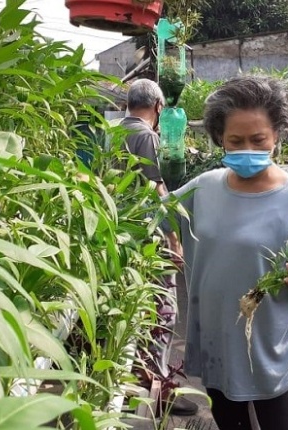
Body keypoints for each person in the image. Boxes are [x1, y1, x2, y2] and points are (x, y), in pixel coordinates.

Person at [162, 75, 288, 430]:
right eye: (235, 141)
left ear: (276, 138)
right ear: (219, 139)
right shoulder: (203, 189)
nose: (247, 151)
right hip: (218, 348)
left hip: (272, 353)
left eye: (258, 140)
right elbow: (150, 217)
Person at [121, 78, 198, 416]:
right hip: (147, 239)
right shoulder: (148, 137)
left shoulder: (111, 132)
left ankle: (123, 381)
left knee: (128, 309)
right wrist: (173, 239)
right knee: (162, 311)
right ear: (158, 108)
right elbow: (158, 189)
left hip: (118, 237)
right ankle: (160, 389)